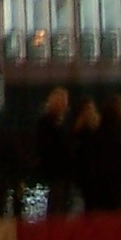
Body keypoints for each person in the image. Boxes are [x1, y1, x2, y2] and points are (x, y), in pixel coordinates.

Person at [34, 86, 76, 218]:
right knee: (58, 203)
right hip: (57, 169)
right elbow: (52, 146)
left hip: (62, 170)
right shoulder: (49, 123)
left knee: (62, 202)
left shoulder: (59, 122)